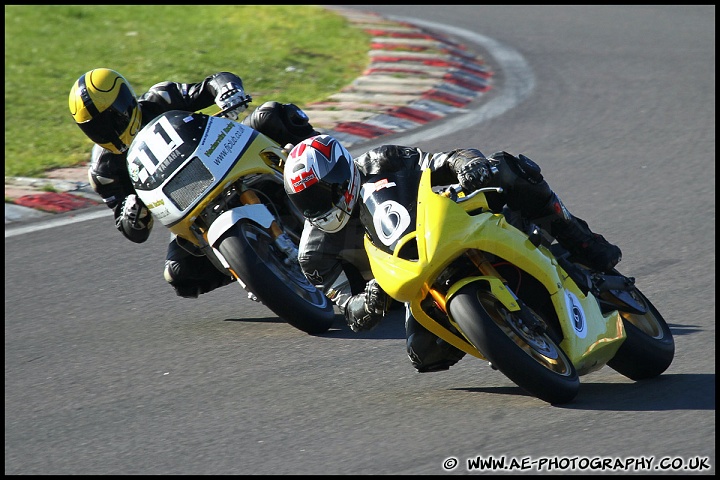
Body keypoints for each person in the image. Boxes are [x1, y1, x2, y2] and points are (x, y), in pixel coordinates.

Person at [282, 135, 622, 373]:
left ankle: (580, 240)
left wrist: (468, 165)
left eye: (321, 193)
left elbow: (442, 161)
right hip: (413, 279)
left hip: (447, 226)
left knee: (506, 168)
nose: (319, 206)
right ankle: (500, 338)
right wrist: (368, 301)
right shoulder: (314, 253)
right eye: (307, 201)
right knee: (424, 355)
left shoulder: (381, 160)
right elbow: (347, 307)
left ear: (341, 172)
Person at [68, 68, 319, 298]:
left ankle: (344, 168)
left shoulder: (160, 98)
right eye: (96, 128)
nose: (108, 130)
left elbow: (213, 82)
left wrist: (226, 90)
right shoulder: (104, 170)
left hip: (227, 155)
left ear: (126, 102)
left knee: (272, 114)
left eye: (111, 118)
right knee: (179, 273)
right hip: (190, 204)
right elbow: (131, 230)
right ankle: (259, 272)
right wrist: (132, 214)